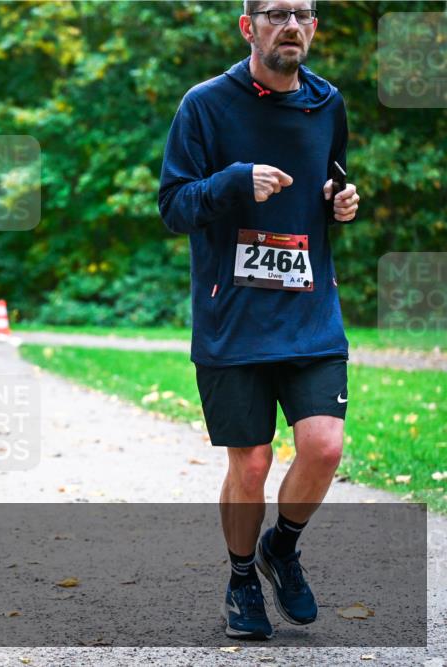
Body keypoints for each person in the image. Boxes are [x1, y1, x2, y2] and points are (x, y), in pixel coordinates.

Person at [158, 0, 359, 641]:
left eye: (302, 13)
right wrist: (236, 181)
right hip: (232, 319)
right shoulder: (205, 106)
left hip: (309, 314)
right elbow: (174, 204)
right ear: (249, 27)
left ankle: (283, 546)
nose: (291, 24)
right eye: (276, 13)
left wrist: (342, 203)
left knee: (324, 446)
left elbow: (328, 187)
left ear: (314, 27)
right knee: (250, 466)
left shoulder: (328, 105)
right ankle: (243, 575)